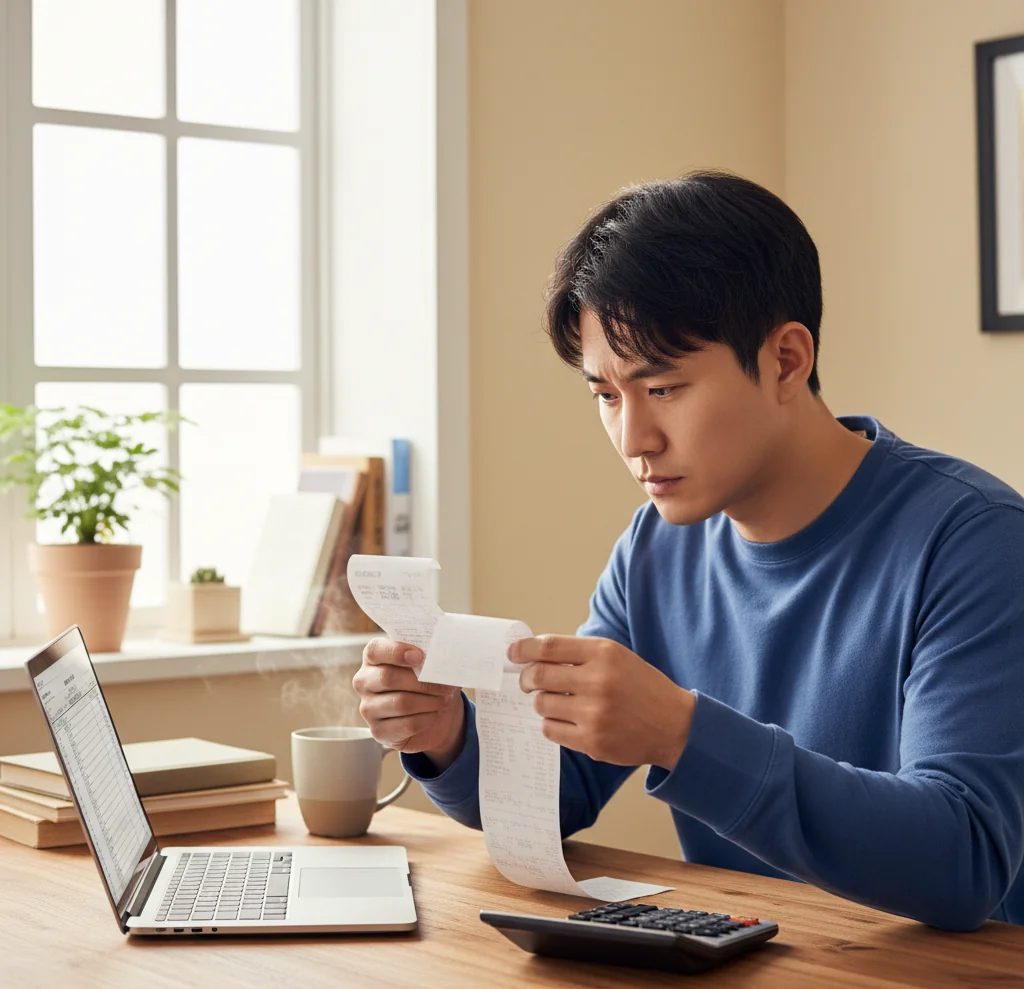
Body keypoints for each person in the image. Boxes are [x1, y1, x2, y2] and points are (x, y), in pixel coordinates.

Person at [352, 171, 1024, 930]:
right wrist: (447, 739)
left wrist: (682, 733)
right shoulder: (656, 547)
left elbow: (965, 858)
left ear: (786, 362)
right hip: (749, 977)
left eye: (663, 388)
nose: (633, 439)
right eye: (606, 395)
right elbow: (561, 789)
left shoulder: (977, 540)